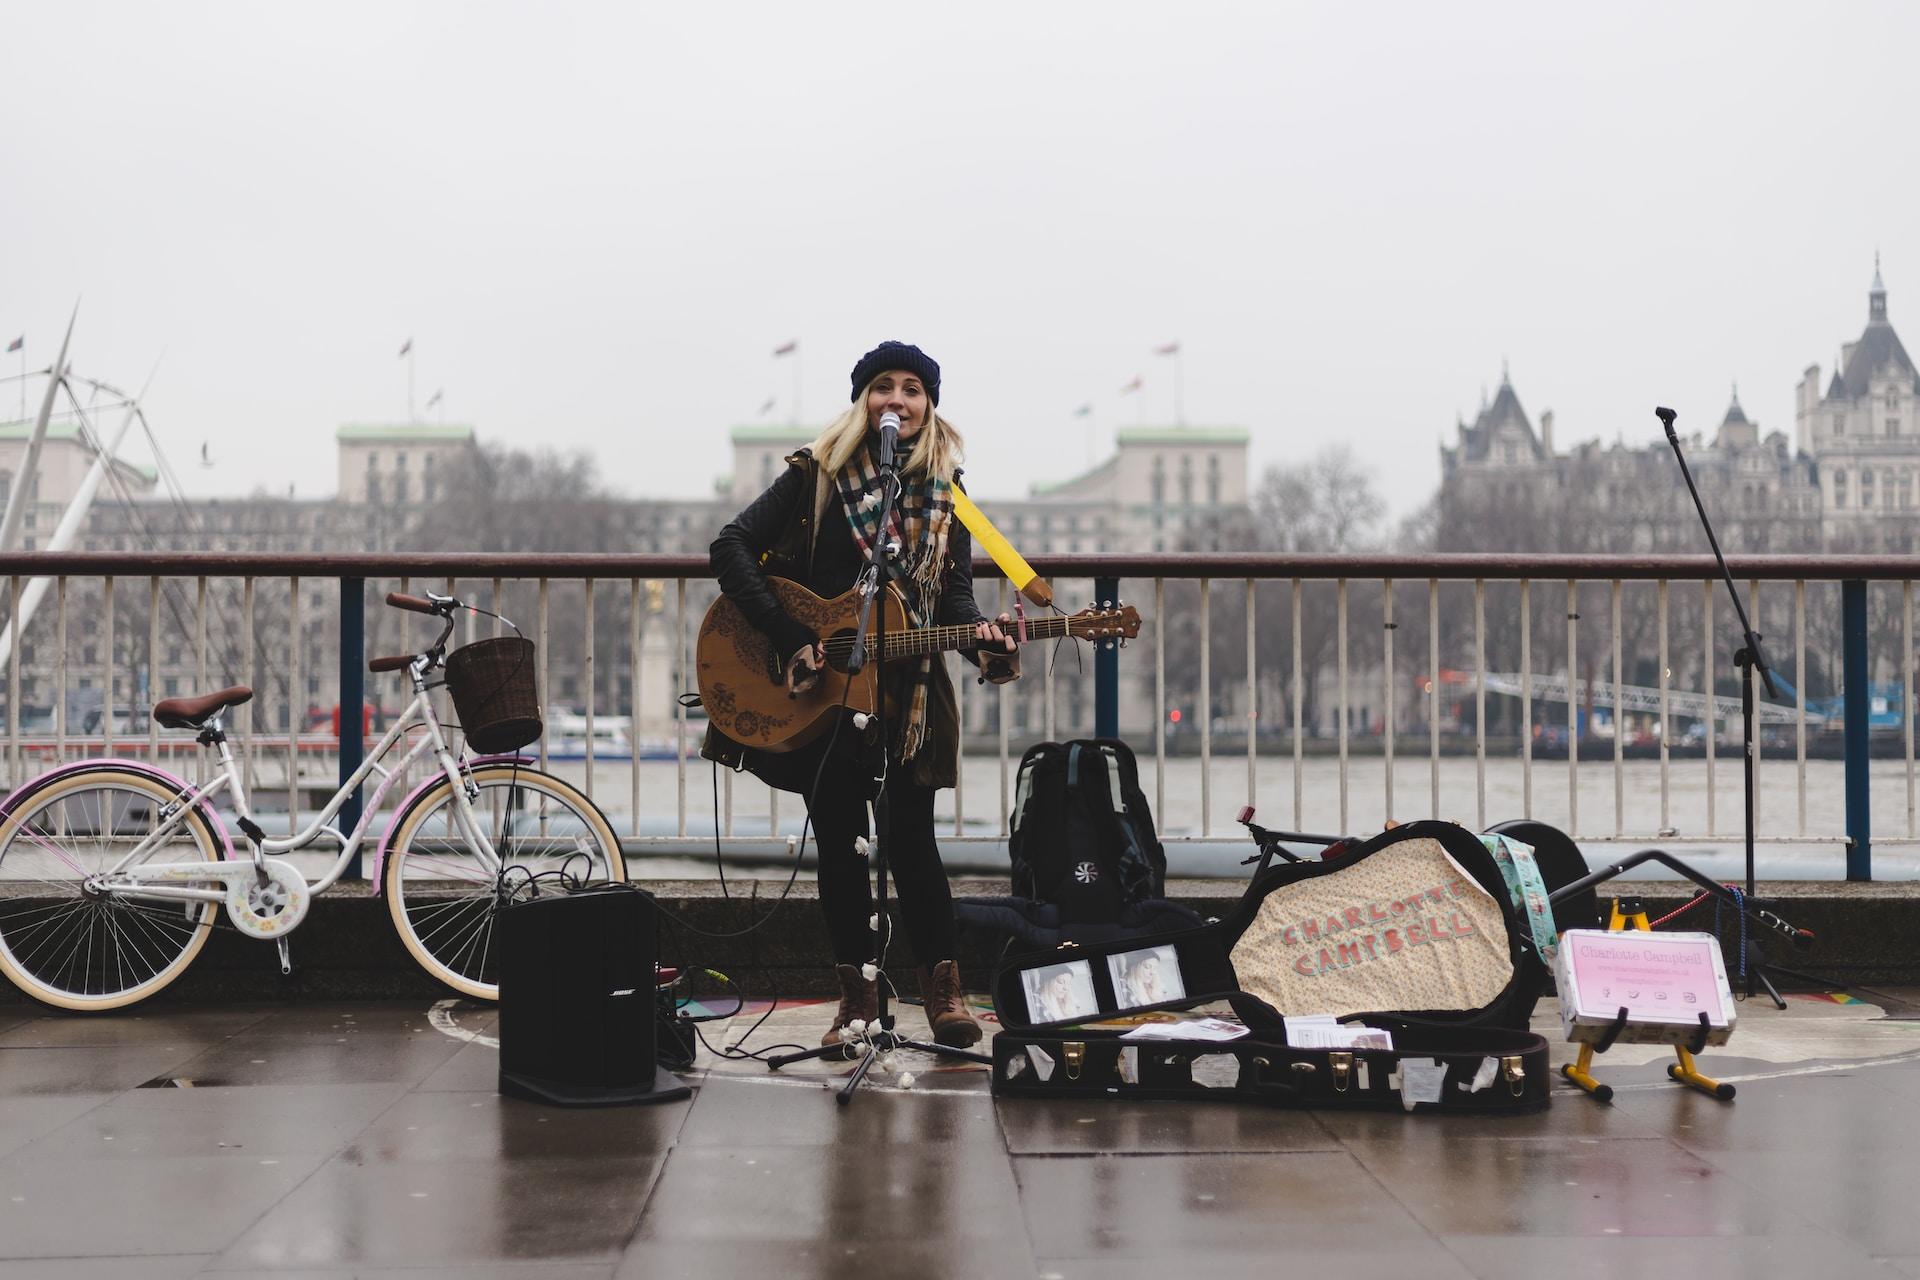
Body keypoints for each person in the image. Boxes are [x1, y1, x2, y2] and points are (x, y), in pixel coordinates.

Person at [706, 341, 1019, 1048]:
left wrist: (983, 639)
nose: (898, 401)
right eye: (884, 388)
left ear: (929, 406)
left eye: (913, 389)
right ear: (863, 403)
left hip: (907, 695)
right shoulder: (815, 476)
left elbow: (955, 600)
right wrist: (791, 636)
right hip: (823, 695)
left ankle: (943, 995)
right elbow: (730, 547)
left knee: (913, 842)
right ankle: (856, 998)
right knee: (841, 847)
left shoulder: (949, 493)